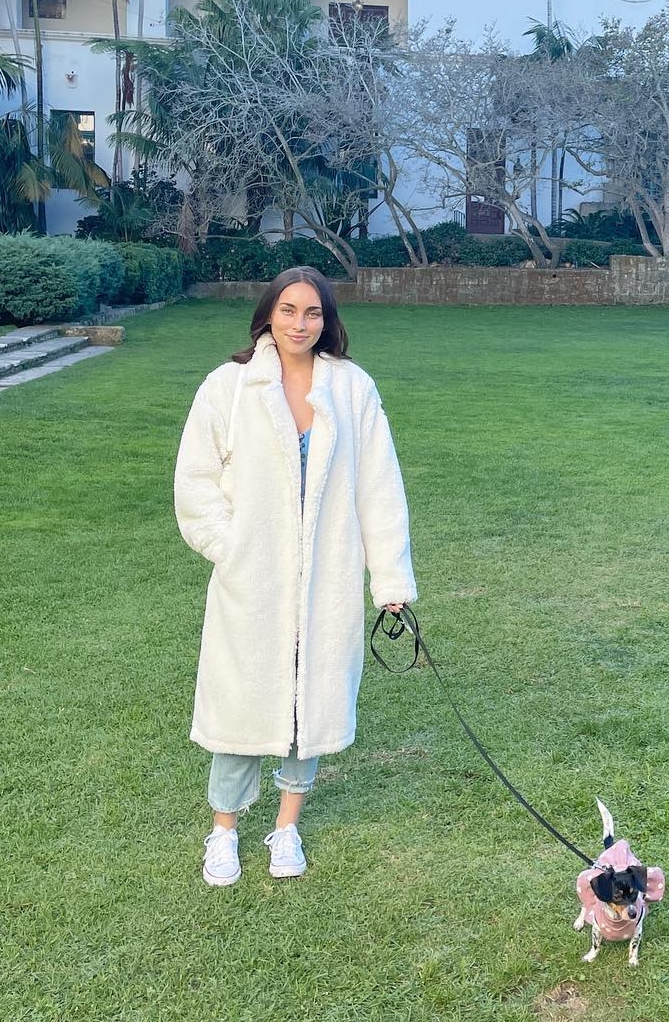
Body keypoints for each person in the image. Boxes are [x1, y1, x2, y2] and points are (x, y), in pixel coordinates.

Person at [175, 266, 417, 887]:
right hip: (250, 580)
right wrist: (230, 546)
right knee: (239, 705)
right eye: (288, 310)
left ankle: (287, 827)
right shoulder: (229, 386)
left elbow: (379, 488)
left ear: (327, 320)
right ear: (268, 314)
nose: (299, 324)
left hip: (327, 580)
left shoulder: (353, 389)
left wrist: (390, 580)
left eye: (312, 312)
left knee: (311, 702)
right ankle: (224, 831)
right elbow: (196, 480)